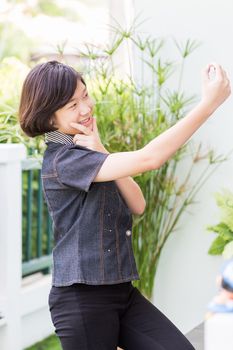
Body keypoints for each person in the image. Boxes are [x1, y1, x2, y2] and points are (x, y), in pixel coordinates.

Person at [18, 60, 230, 350]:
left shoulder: (86, 152)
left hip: (121, 293)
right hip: (83, 299)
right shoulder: (62, 160)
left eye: (85, 96)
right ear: (49, 118)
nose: (86, 108)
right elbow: (149, 159)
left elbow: (138, 203)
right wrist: (208, 105)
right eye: (72, 105)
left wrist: (102, 148)